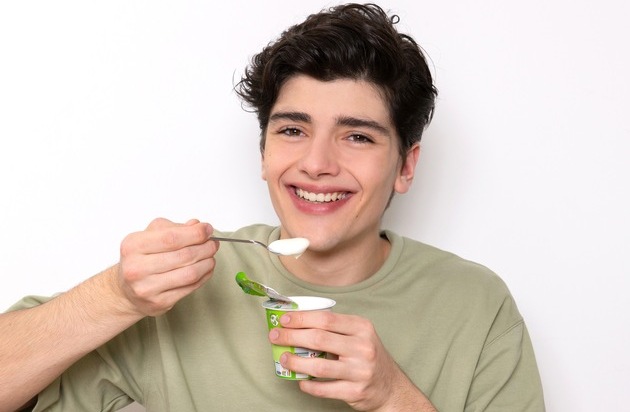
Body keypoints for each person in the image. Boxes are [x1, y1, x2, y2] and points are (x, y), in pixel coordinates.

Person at [0, 3, 545, 411]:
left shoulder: (476, 305)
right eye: (292, 130)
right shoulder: (185, 288)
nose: (317, 163)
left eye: (357, 136)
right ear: (263, 153)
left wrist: (391, 396)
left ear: (405, 166)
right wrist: (116, 296)